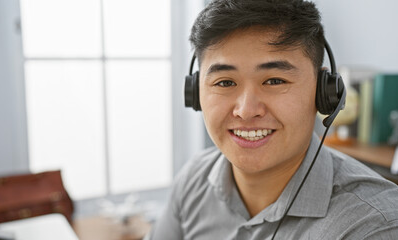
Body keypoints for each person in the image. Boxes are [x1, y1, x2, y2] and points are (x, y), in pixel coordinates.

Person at [146, 0, 398, 239]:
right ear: (195, 93)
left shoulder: (372, 226)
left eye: (275, 81)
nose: (246, 111)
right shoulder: (194, 178)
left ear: (324, 93)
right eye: (225, 82)